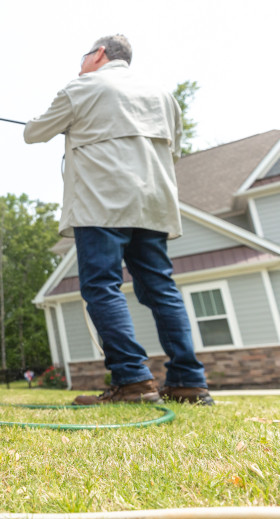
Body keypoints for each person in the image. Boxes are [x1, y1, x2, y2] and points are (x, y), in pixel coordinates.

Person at [23, 35, 213, 405]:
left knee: (102, 286)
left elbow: (34, 132)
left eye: (83, 57)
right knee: (161, 288)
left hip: (103, 204)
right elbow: (173, 148)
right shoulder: (163, 96)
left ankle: (132, 380)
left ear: (99, 54)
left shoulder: (83, 86)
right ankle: (189, 382)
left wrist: (64, 124)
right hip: (153, 204)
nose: (79, 65)